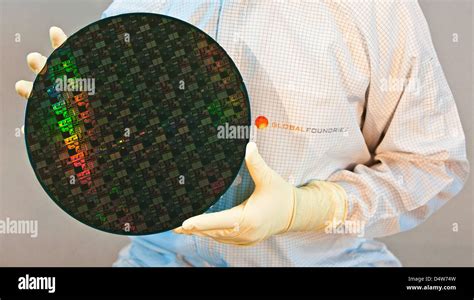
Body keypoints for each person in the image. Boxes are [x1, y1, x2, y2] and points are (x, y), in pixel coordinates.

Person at [16, 0, 469, 267]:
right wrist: (76, 130)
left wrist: (309, 208)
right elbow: (126, 158)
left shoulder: (373, 10)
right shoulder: (138, 8)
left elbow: (432, 164)